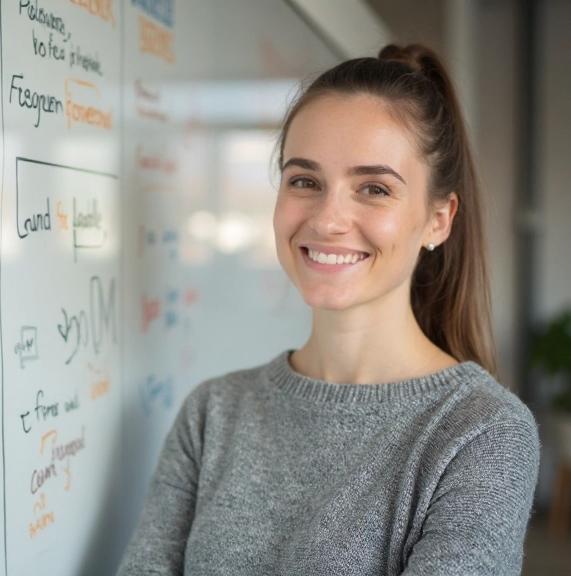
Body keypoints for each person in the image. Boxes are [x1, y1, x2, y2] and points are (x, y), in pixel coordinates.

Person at [116, 44, 540, 576]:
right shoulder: (213, 414)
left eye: (373, 188)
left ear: (437, 219)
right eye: (304, 181)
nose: (328, 219)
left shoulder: (480, 433)